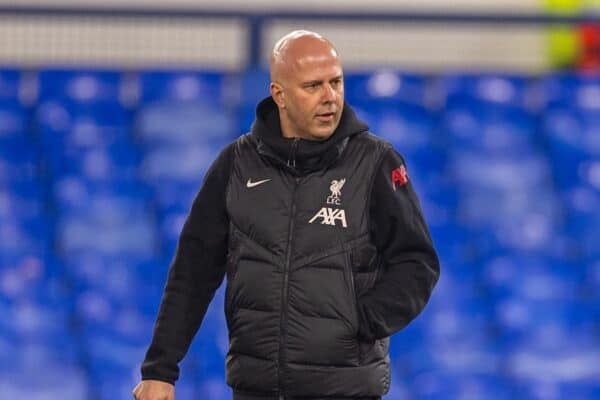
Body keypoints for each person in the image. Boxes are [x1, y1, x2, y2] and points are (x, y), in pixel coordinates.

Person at [133, 30, 440, 400]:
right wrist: (160, 369)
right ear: (279, 95)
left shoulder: (375, 163)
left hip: (346, 388)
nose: (329, 97)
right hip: (255, 388)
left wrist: (361, 320)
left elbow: (417, 262)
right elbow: (193, 272)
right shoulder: (235, 165)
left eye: (336, 82)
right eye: (313, 86)